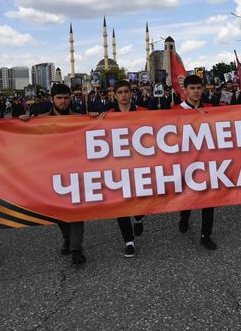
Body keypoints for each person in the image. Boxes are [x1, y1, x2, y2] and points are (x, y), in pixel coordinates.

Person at [21, 83, 87, 264]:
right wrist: (23, 123)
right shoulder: (40, 119)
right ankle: (68, 238)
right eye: (59, 98)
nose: (63, 101)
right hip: (51, 173)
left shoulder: (80, 118)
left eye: (66, 97)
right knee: (58, 212)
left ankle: (76, 249)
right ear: (52, 100)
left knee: (76, 210)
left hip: (75, 171)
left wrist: (97, 119)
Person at [93, 80, 147, 257]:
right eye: (120, 92)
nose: (124, 95)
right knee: (120, 202)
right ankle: (128, 241)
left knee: (141, 197)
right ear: (114, 95)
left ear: (132, 93)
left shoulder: (143, 112)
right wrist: (95, 121)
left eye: (127, 92)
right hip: (117, 164)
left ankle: (138, 217)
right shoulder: (108, 115)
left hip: (140, 162)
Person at [174, 75, 217, 250]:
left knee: (209, 199)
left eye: (199, 88)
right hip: (186, 161)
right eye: (192, 88)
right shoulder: (176, 110)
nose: (196, 91)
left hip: (208, 161)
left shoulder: (211, 109)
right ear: (185, 90)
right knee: (189, 196)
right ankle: (184, 216)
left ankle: (206, 235)